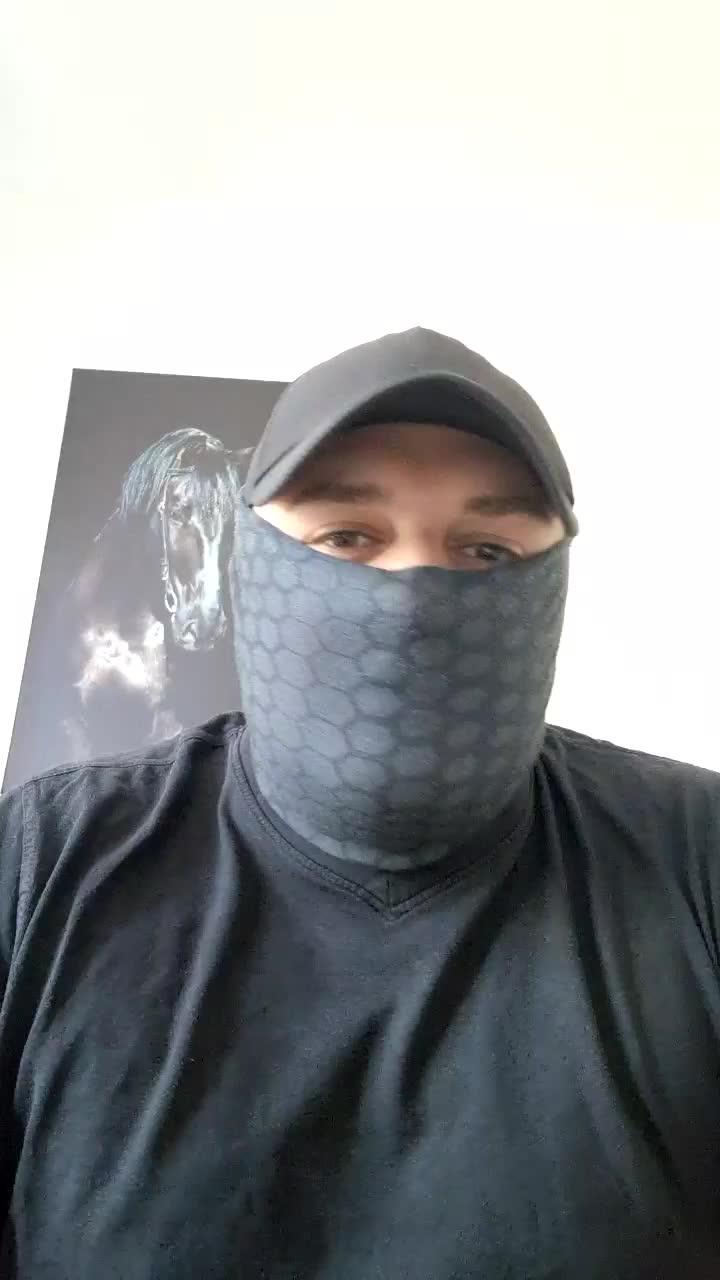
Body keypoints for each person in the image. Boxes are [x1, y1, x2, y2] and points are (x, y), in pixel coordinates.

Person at [1, 327, 719, 1279]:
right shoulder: (44, 858)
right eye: (346, 536)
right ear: (253, 562)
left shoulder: (696, 854)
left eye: (488, 549)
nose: (413, 596)